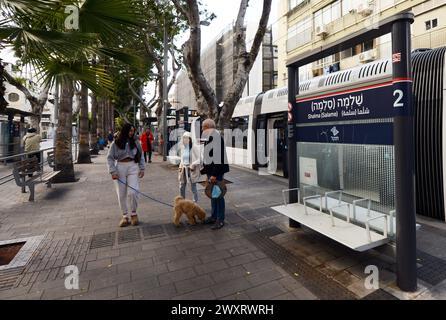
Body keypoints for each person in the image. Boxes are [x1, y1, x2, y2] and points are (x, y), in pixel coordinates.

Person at [107, 123, 145, 227]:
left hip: (133, 166)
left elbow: (140, 155)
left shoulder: (136, 141)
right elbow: (110, 158)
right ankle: (125, 216)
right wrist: (113, 171)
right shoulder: (116, 143)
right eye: (130, 131)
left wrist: (142, 168)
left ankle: (133, 213)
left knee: (133, 191)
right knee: (121, 194)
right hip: (120, 168)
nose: (132, 133)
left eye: (133, 131)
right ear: (125, 131)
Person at [200, 119, 229, 230]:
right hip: (211, 172)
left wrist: (214, 175)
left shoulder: (216, 138)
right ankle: (214, 216)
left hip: (216, 173)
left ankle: (220, 219)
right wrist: (203, 171)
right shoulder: (210, 138)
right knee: (213, 195)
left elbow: (218, 159)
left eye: (203, 127)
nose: (202, 129)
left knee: (218, 196)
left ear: (208, 127)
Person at [178, 131, 201, 203]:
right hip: (183, 169)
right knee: (182, 186)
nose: (185, 139)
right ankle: (182, 202)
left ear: (190, 139)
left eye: (187, 138)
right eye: (184, 138)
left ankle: (195, 203)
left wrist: (193, 164)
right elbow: (182, 158)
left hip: (191, 169)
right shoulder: (183, 147)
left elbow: (200, 159)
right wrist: (181, 165)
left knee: (193, 187)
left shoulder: (194, 148)